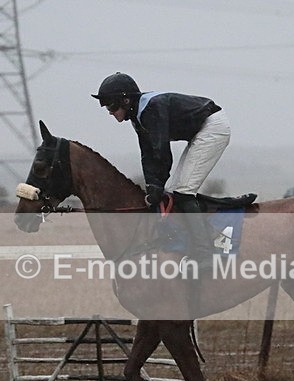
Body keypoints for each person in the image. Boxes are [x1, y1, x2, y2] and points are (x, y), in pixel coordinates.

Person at [91, 72, 231, 273]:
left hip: (213, 127)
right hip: (201, 129)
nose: (110, 112)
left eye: (112, 106)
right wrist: (152, 187)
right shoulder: (138, 117)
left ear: (126, 100)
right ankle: (196, 241)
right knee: (174, 192)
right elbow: (147, 155)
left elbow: (162, 153)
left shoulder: (151, 110)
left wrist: (156, 187)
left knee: (183, 191)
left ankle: (205, 254)